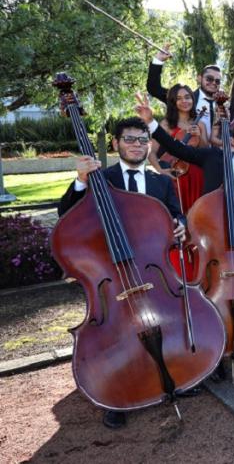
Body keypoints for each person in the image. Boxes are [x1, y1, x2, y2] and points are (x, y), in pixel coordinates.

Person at [57, 117, 188, 430]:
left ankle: (177, 374)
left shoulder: (160, 182)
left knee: (168, 321)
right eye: (129, 139)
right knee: (115, 335)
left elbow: (174, 214)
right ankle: (117, 394)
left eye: (142, 140)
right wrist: (80, 180)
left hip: (152, 272)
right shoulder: (102, 178)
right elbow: (66, 214)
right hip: (112, 274)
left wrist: (181, 224)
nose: (137, 145)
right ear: (116, 144)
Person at [135, 94, 234, 210]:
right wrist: (150, 121)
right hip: (209, 227)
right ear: (233, 139)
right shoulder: (212, 157)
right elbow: (175, 148)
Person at [148, 84, 208, 211]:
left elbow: (206, 151)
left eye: (187, 97)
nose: (184, 101)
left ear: (193, 99)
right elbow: (151, 151)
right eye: (179, 98)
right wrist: (160, 169)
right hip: (176, 177)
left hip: (197, 176)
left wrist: (200, 136)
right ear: (173, 102)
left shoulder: (200, 124)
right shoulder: (166, 124)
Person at [147, 43, 221, 138]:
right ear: (199, 78)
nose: (214, 83)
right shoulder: (184, 99)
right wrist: (158, 60)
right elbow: (154, 89)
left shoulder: (224, 105)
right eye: (209, 79)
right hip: (188, 150)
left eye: (218, 81)